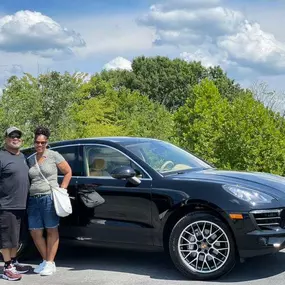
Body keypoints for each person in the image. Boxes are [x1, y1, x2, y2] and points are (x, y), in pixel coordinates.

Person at [27, 126, 72, 276]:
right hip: (33, 199)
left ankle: (50, 262)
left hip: (49, 197)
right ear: (34, 142)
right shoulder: (30, 159)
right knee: (35, 231)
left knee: (52, 229)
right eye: (37, 142)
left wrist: (63, 188)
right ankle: (46, 261)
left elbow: (68, 172)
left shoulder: (54, 155)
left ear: (47, 142)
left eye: (43, 142)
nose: (39, 145)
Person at [0, 127, 31, 281]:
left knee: (15, 238)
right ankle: (6, 268)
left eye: (18, 136)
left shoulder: (23, 157)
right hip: (5, 205)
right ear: (6, 139)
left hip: (21, 205)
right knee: (6, 238)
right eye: (12, 136)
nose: (15, 138)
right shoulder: (1, 156)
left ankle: (13, 262)